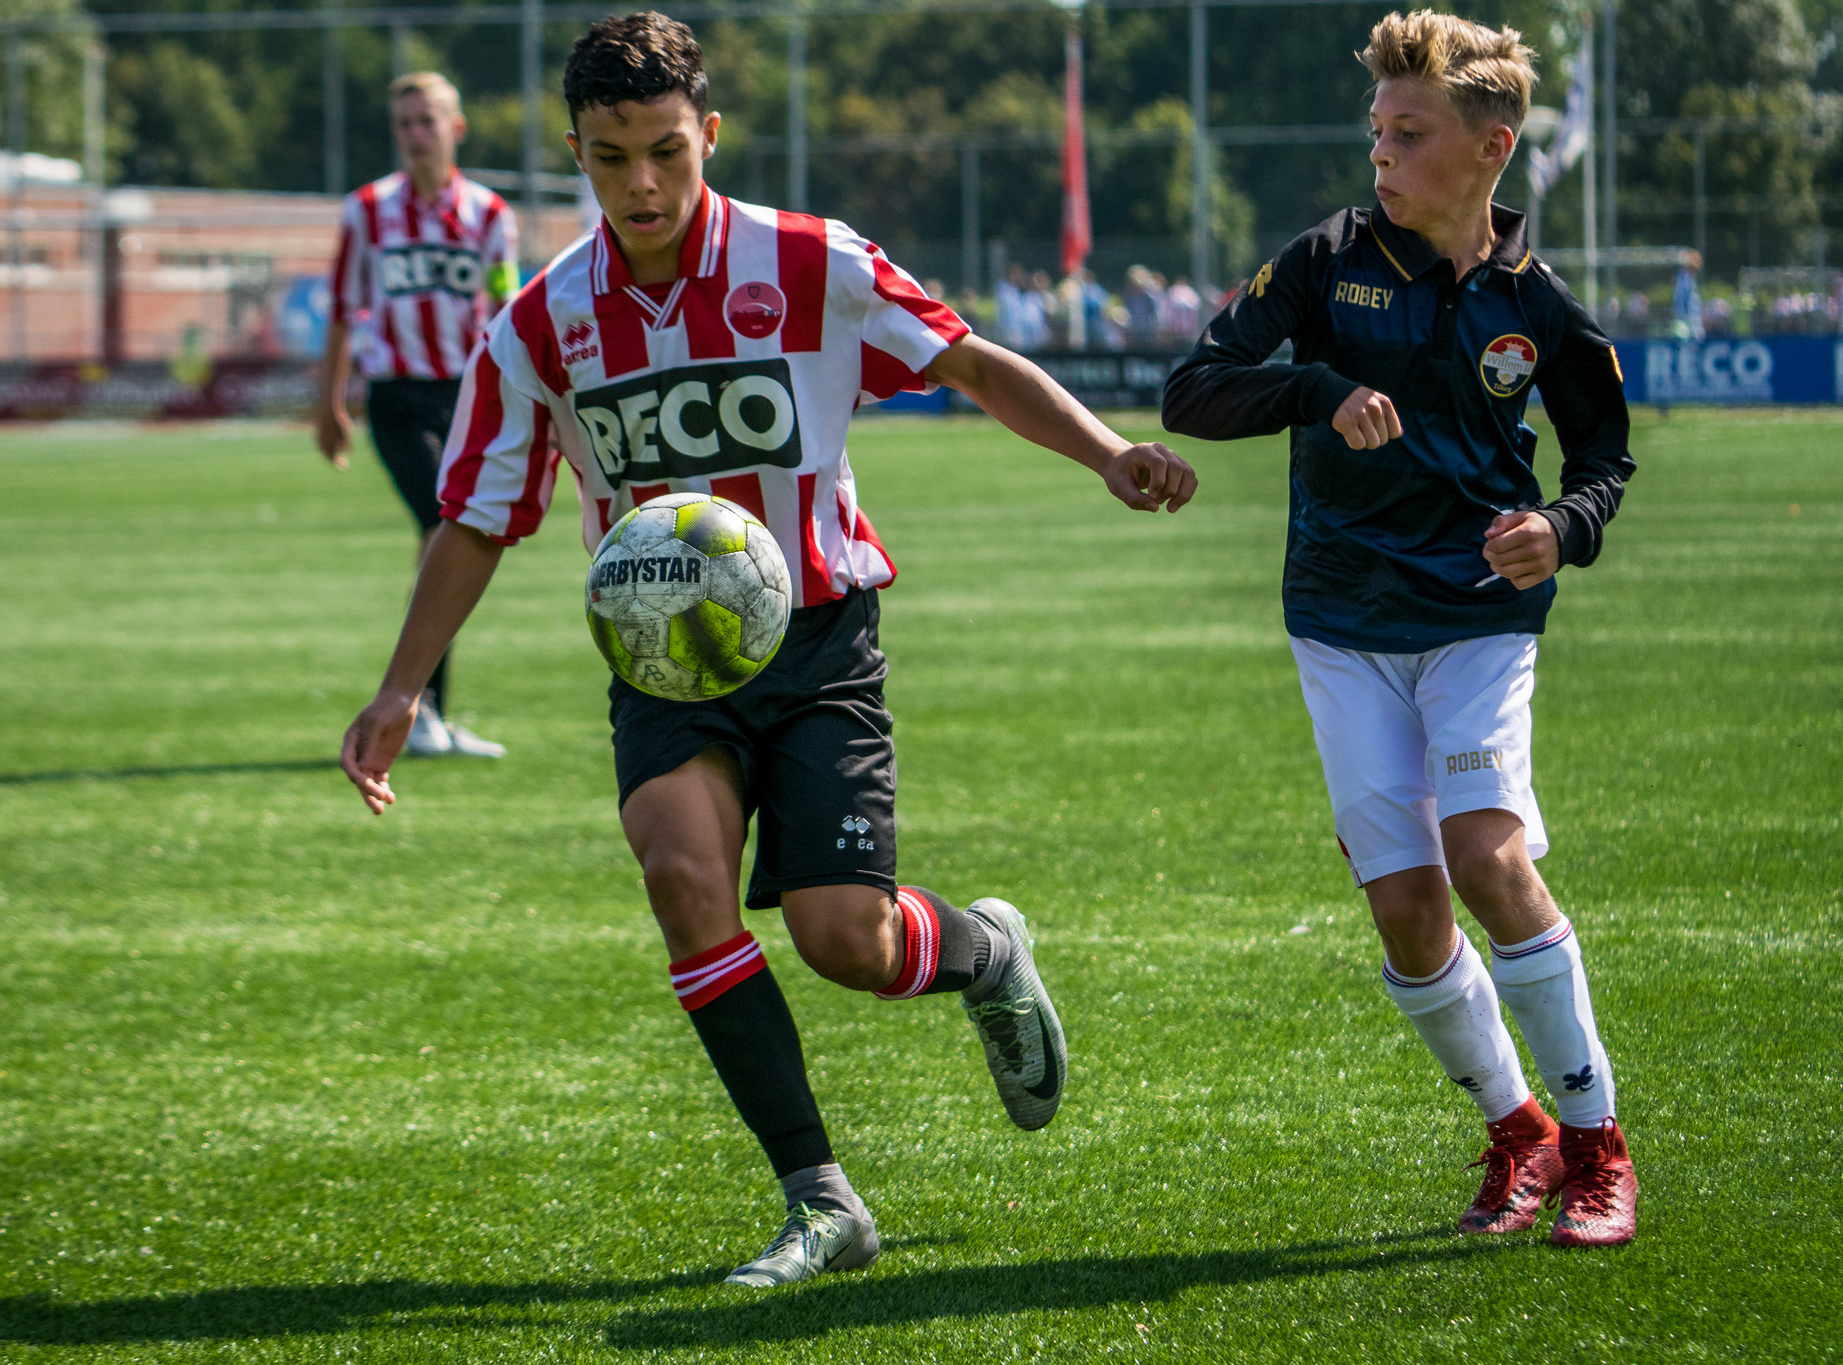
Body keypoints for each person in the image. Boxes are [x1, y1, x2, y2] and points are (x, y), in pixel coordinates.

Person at [339, 12, 1197, 1287]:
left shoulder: (808, 261)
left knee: (844, 939)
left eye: (665, 152)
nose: (641, 184)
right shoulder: (537, 323)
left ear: (709, 135)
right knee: (680, 876)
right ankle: (821, 1199)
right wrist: (401, 688)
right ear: (574, 152)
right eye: (611, 157)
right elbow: (473, 518)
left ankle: (985, 954)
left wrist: (1107, 452)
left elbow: (965, 363)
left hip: (815, 639)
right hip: (661, 662)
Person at [1161, 9, 1638, 1248]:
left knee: (1486, 857)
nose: (1380, 153)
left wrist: (1563, 528)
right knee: (1407, 915)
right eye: (1375, 130)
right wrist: (1316, 391)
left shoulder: (1536, 302)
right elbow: (1191, 391)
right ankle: (1516, 1132)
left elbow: (1601, 455)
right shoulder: (1324, 260)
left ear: (1491, 146)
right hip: (1338, 620)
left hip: (1477, 615)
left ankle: (1595, 1144)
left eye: (1408, 132)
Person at [317, 71, 517, 759]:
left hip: (464, 395)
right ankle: (419, 709)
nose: (414, 134)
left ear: (455, 128)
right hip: (397, 397)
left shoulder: (489, 214)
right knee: (443, 527)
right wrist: (329, 403)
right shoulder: (367, 211)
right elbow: (343, 309)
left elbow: (505, 308)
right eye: (403, 123)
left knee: (444, 536)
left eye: (426, 120)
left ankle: (424, 710)